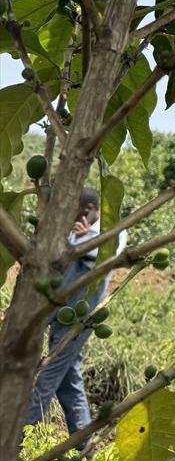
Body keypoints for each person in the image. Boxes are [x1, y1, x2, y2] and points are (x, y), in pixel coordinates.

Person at [24, 188, 125, 439]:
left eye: (76, 212)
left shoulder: (113, 231)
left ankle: (17, 433)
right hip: (60, 314)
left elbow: (99, 257)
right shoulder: (79, 231)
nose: (71, 219)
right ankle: (82, 442)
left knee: (48, 375)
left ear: (89, 209)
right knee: (69, 382)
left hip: (77, 320)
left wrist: (85, 239)